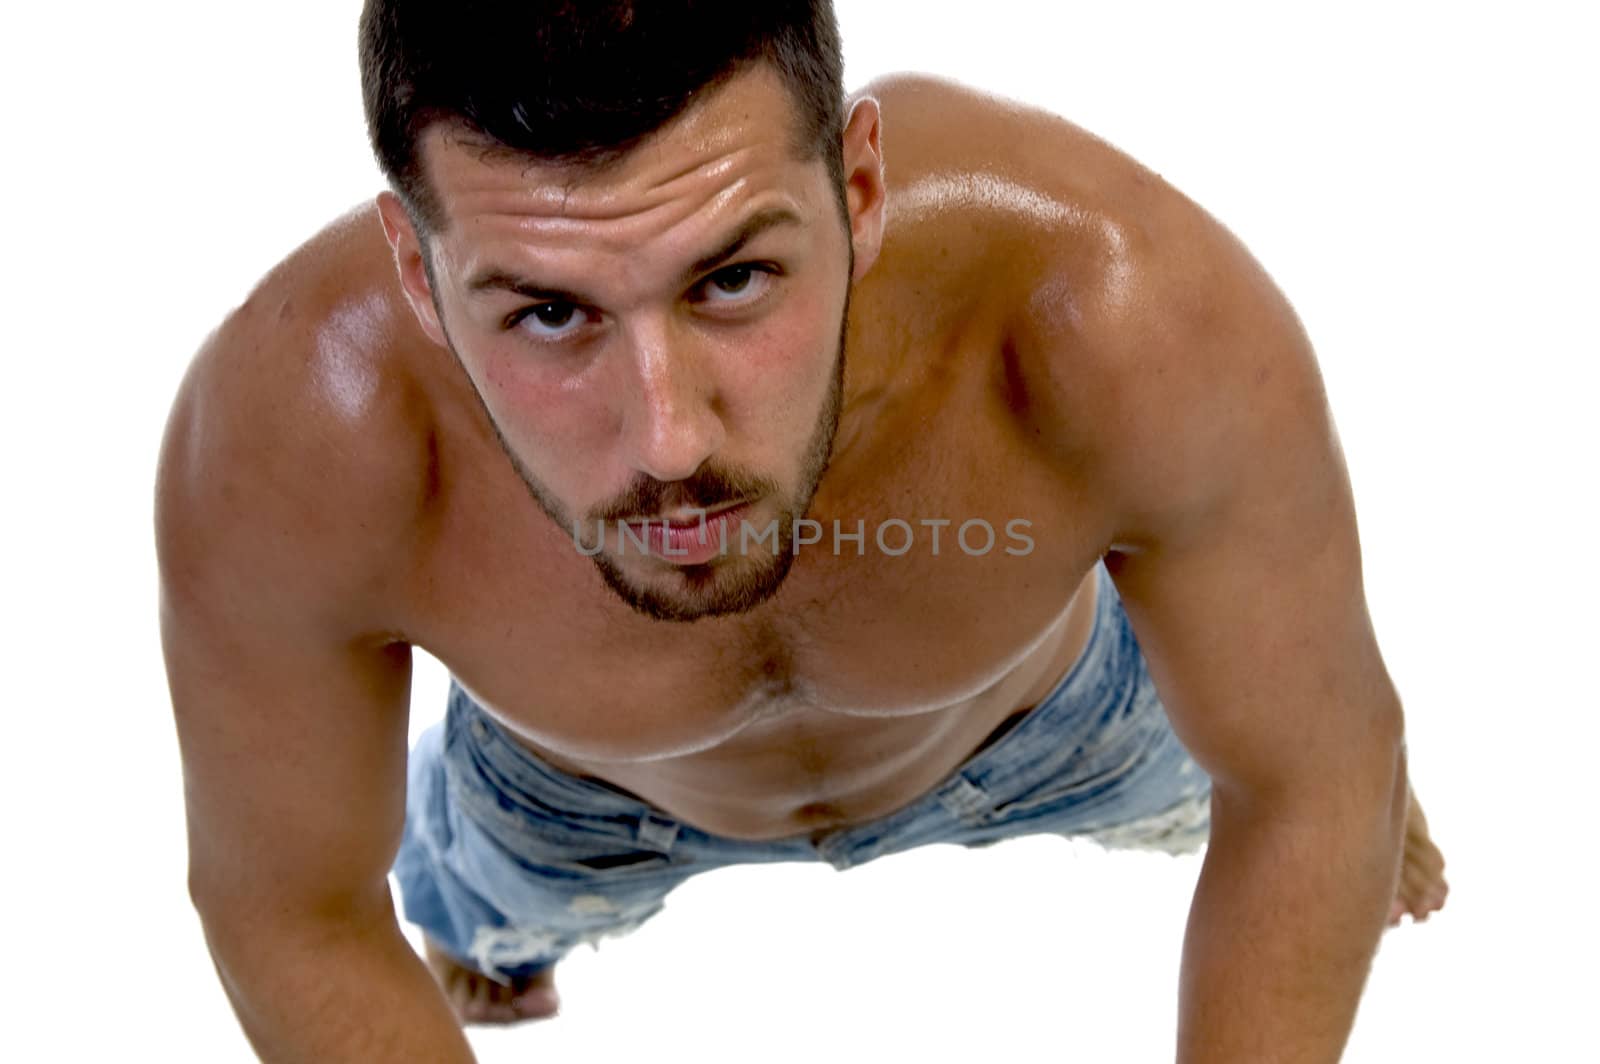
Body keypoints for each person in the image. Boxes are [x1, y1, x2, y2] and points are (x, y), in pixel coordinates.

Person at [155, 1, 1448, 1059]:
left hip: (1055, 723)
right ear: (416, 270)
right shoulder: (299, 437)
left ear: (861, 185)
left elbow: (1300, 784)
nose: (668, 441)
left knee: (1313, 770)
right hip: (575, 797)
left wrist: (1323, 790)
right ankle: (497, 939)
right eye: (550, 314)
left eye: (731, 279)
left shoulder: (1115, 311)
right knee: (465, 903)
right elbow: (294, 904)